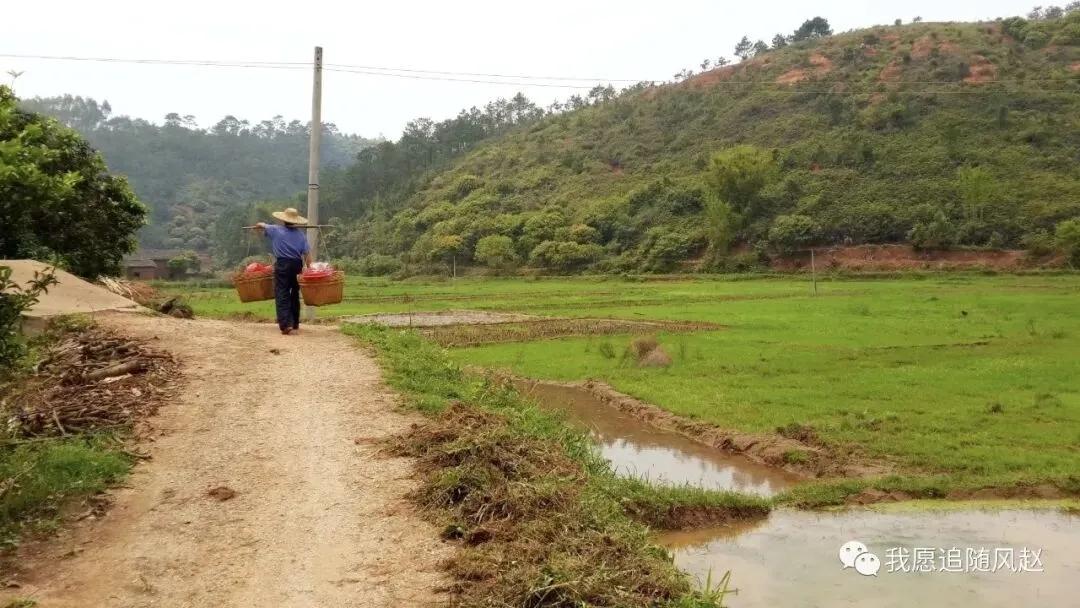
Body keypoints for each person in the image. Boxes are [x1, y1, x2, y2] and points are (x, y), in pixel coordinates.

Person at [253, 208, 312, 335]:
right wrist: (310, 270)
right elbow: (307, 254)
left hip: (283, 264)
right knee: (294, 293)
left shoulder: (275, 230)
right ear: (295, 221)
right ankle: (294, 323)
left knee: (282, 293)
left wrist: (258, 226)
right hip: (296, 265)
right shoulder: (301, 235)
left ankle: (286, 324)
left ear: (283, 219)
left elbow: (261, 225)